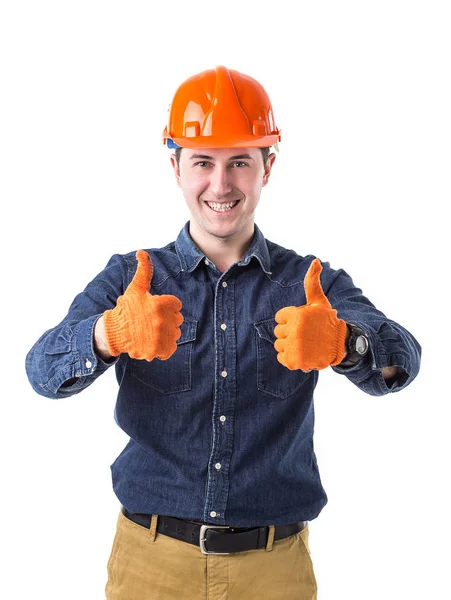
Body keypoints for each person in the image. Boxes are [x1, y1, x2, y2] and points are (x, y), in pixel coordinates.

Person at [25, 65, 421, 600]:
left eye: (240, 162)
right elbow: (42, 372)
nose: (221, 184)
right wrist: (107, 334)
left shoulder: (311, 284)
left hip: (274, 570)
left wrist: (344, 343)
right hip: (151, 564)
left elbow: (402, 362)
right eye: (203, 163)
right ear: (176, 167)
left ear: (267, 168)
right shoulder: (130, 278)